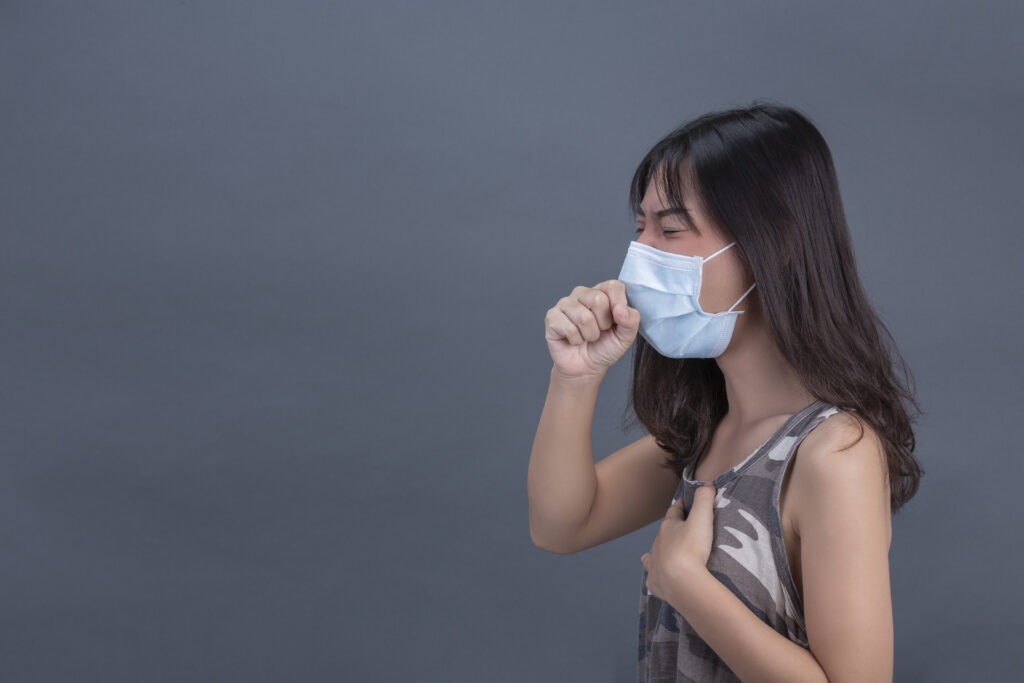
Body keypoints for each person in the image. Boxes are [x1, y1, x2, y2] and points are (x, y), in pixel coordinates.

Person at [527, 101, 922, 682]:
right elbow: (561, 526)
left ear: (777, 239)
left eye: (672, 227)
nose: (642, 254)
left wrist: (686, 584)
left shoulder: (836, 452)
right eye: (641, 227)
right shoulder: (711, 432)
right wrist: (575, 378)